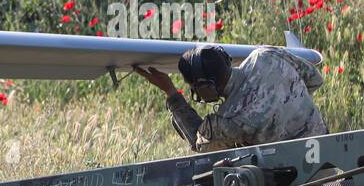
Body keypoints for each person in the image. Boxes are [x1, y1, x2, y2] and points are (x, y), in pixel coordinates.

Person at [134, 44, 327, 152]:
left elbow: (199, 144)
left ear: (206, 87)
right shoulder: (266, 55)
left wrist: (171, 92)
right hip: (325, 155)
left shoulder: (226, 121)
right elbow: (315, 80)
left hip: (292, 180)